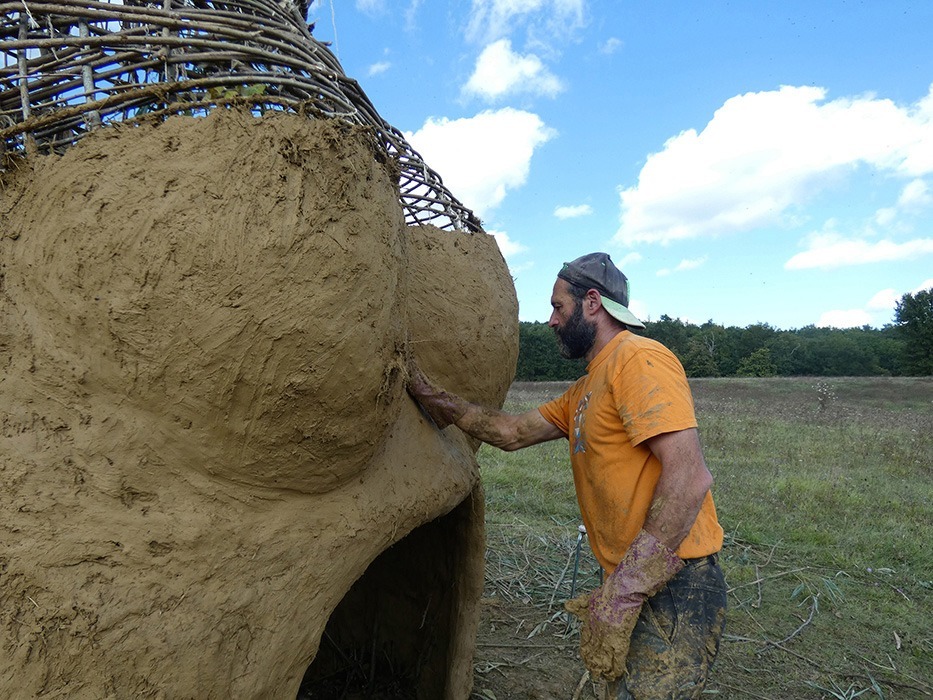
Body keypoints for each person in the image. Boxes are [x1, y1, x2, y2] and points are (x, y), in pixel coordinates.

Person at [408, 252, 727, 699]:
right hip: (630, 576)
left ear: (592, 302)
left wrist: (627, 591)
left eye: (558, 306)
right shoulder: (585, 389)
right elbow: (512, 431)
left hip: (676, 582)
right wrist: (440, 400)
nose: (552, 320)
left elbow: (689, 477)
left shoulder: (638, 359)